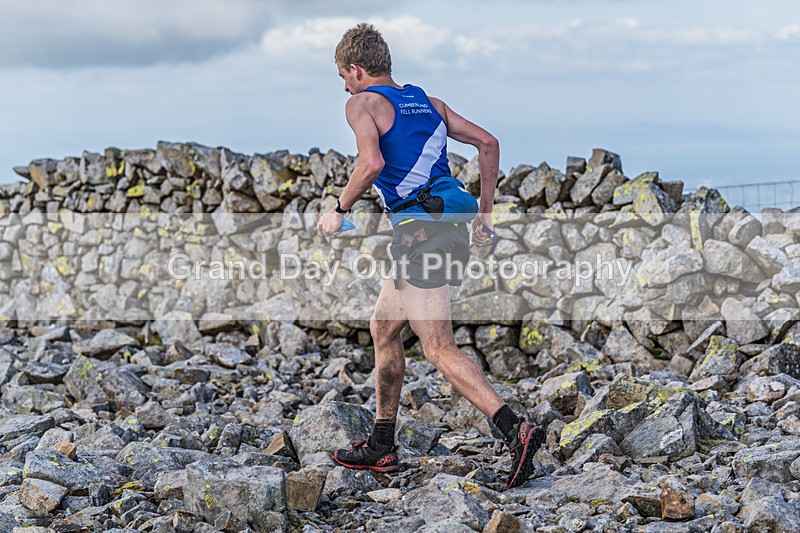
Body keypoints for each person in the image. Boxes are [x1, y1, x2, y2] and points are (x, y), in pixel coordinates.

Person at [315, 22, 544, 489]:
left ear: (356, 70)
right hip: (447, 228)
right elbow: (489, 143)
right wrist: (485, 216)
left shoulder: (361, 103)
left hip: (421, 234)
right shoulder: (428, 103)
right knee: (383, 326)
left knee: (438, 348)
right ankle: (382, 446)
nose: (343, 85)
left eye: (343, 75)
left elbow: (372, 164)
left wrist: (338, 210)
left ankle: (514, 430)